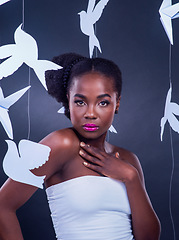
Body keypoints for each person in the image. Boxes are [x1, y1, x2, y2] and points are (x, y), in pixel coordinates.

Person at [0, 53, 161, 240]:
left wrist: (130, 177)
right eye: (80, 102)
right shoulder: (61, 144)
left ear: (117, 103)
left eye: (103, 102)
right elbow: (3, 206)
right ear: (68, 100)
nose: (90, 113)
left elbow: (149, 237)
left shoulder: (128, 160)